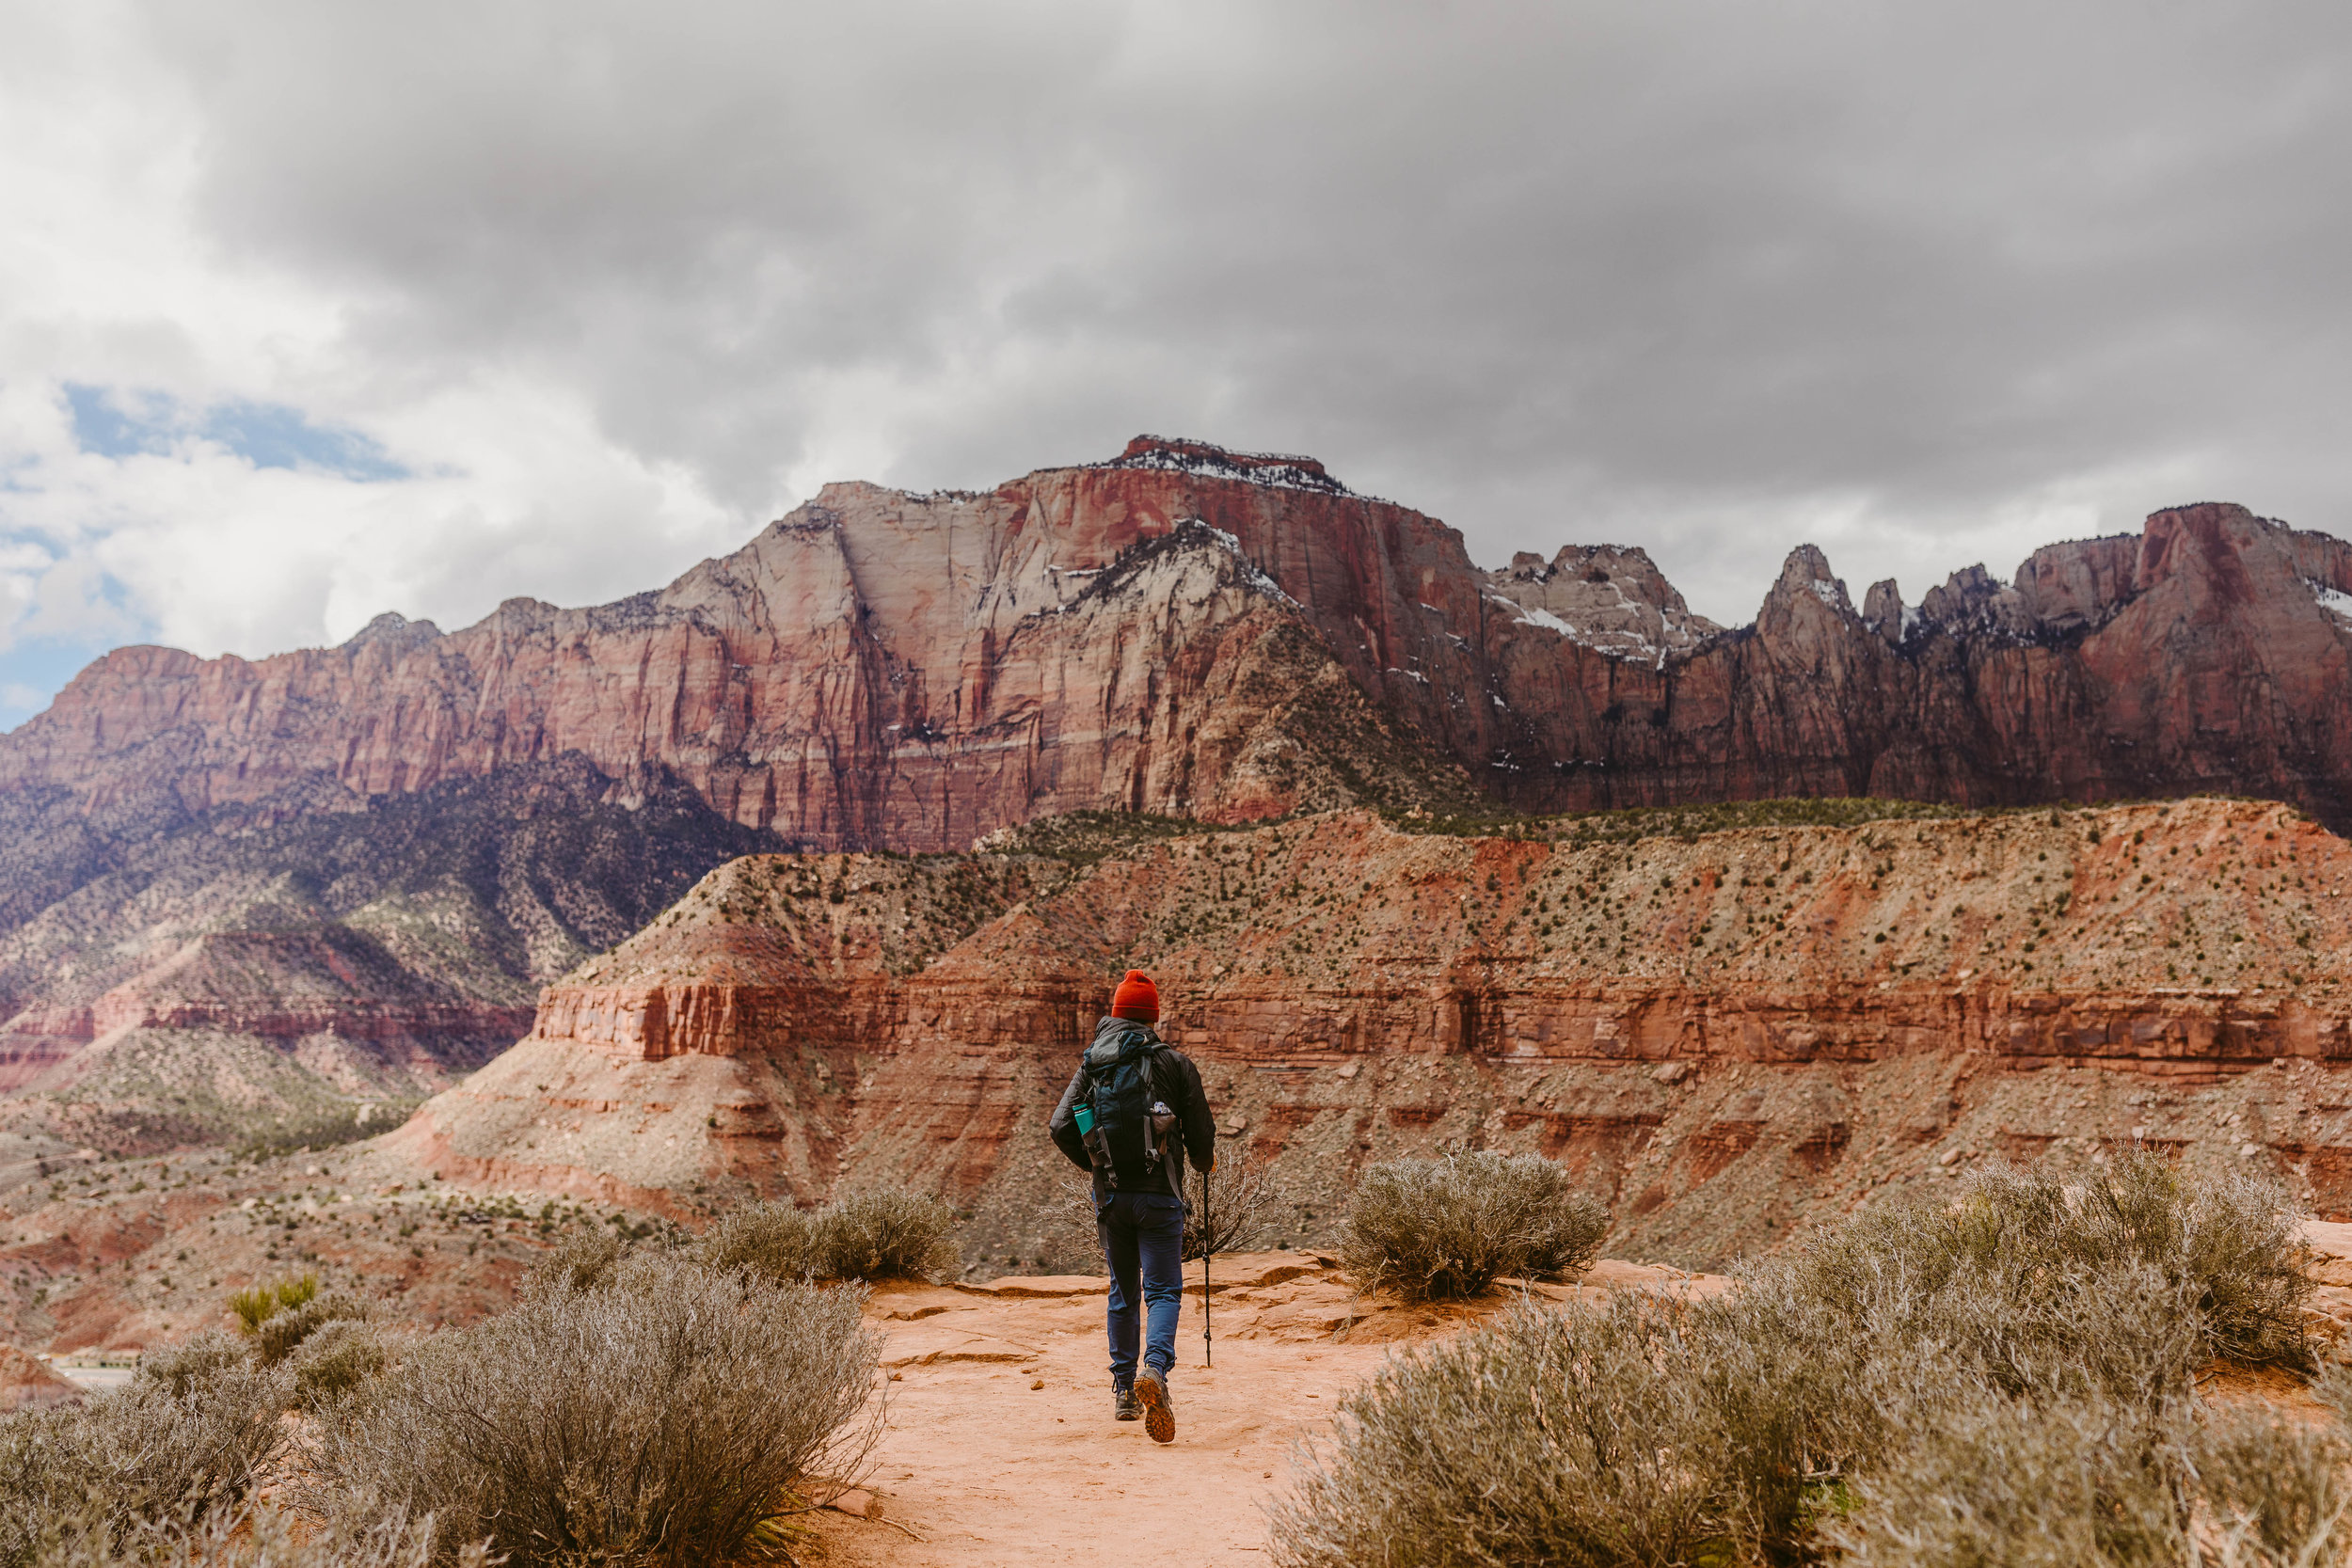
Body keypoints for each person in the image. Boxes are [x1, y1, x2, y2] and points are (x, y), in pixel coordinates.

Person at [1047, 969, 1215, 1444]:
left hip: (1112, 1196)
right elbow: (1202, 1135)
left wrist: (1095, 1164)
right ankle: (1155, 1371)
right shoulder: (1176, 1064)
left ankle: (1123, 1389)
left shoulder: (1093, 1064)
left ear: (1117, 1015)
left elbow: (1060, 1125)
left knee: (1123, 1291)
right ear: (1152, 1017)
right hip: (1160, 1197)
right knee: (1163, 1292)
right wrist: (1204, 1162)